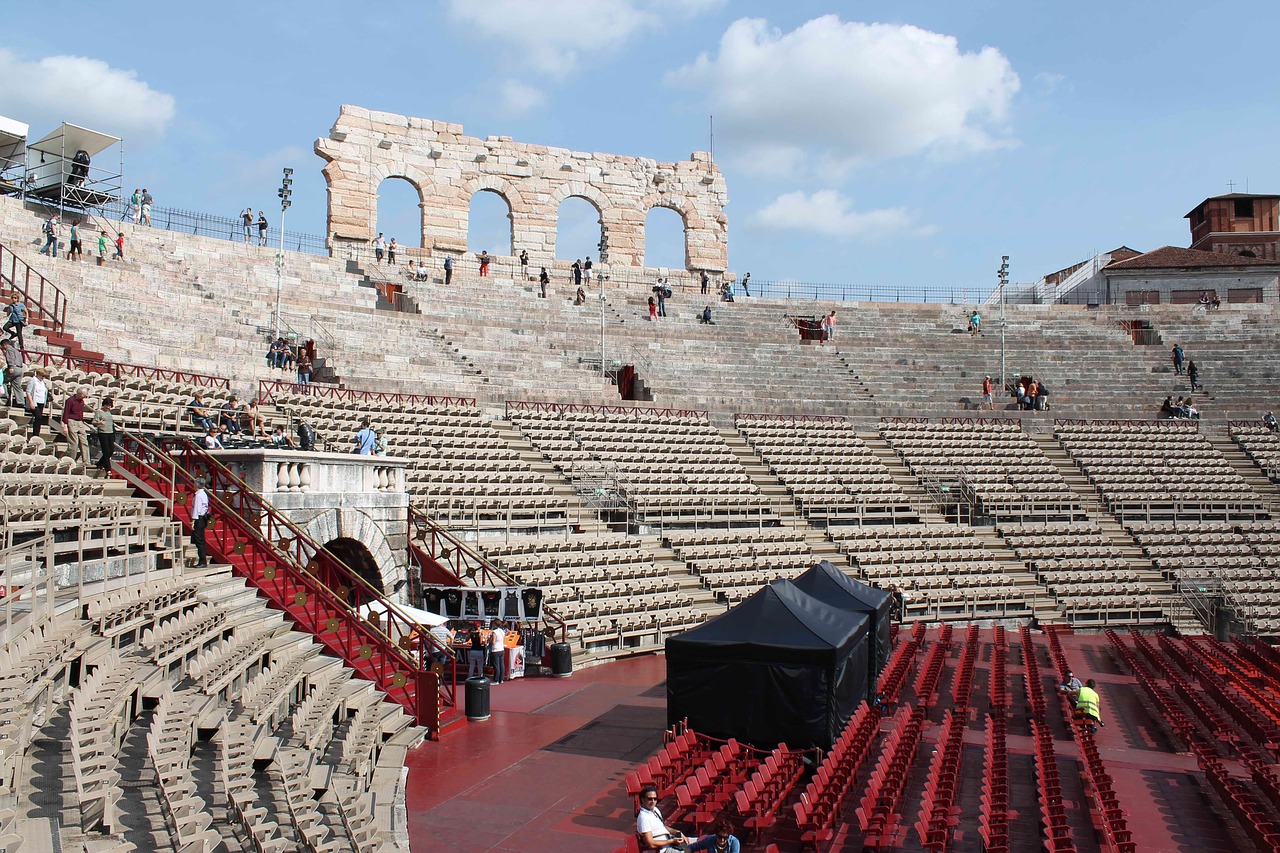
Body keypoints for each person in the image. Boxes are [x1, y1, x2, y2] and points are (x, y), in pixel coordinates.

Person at [636, 784, 689, 851]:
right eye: (650, 799)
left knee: (701, 842)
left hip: (671, 843)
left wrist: (678, 832)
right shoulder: (644, 818)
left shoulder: (655, 810)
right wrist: (672, 841)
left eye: (655, 799)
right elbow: (651, 844)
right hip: (663, 850)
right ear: (643, 800)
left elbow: (662, 827)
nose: (653, 802)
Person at [62, 387, 91, 465]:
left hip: (80, 422)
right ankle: (71, 460)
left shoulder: (82, 402)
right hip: (72, 421)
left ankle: (86, 461)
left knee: (84, 441)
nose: (85, 396)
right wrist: (65, 425)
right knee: (74, 443)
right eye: (84, 395)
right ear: (79, 394)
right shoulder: (70, 400)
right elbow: (66, 412)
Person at [92, 396, 116, 474]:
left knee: (111, 450)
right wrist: (99, 423)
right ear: (104, 404)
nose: (108, 407)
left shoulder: (109, 412)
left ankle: (99, 463)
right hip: (103, 433)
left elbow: (111, 422)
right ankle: (108, 469)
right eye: (107, 405)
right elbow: (94, 422)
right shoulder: (99, 412)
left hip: (111, 432)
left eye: (110, 406)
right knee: (105, 451)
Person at [191, 478, 211, 567]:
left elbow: (197, 509)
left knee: (199, 540)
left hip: (199, 518)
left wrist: (193, 520)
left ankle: (202, 561)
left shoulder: (199, 496)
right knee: (200, 540)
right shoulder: (203, 494)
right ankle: (202, 560)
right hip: (203, 518)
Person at [24, 368, 49, 436]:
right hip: (35, 401)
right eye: (42, 376)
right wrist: (31, 402)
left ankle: (37, 432)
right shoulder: (33, 380)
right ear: (38, 374)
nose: (43, 378)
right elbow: (28, 392)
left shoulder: (43, 382)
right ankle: (35, 434)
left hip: (41, 402)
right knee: (38, 417)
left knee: (39, 418)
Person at [3, 337, 24, 407]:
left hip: (14, 368)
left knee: (2, 379)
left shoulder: (9, 349)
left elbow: (10, 357)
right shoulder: (17, 351)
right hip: (20, 369)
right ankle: (21, 402)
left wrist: (11, 366)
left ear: (4, 345)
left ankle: (5, 397)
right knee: (17, 386)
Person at [489, 620, 506, 685]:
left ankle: (496, 680)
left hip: (495, 650)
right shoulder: (502, 631)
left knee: (496, 666)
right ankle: (501, 679)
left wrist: (489, 640)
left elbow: (493, 641)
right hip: (501, 649)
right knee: (501, 665)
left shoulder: (494, 632)